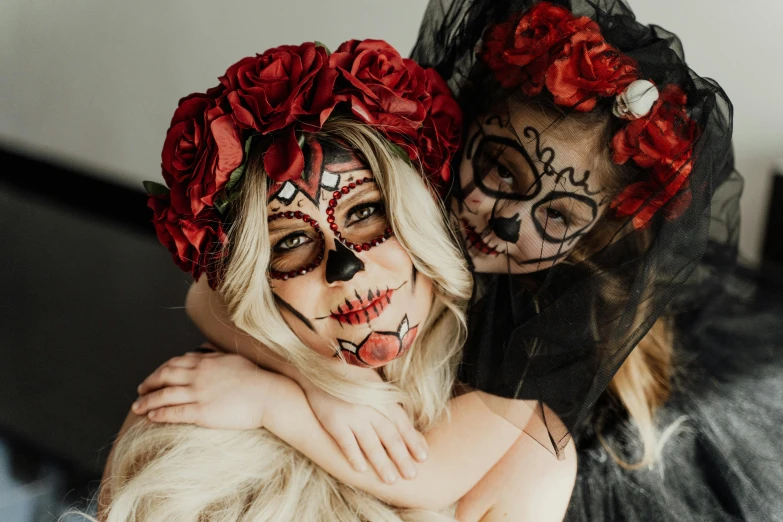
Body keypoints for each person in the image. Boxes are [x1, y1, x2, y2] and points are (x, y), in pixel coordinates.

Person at [97, 38, 578, 522]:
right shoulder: (196, 406)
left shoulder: (532, 447)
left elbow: (426, 479)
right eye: (289, 243)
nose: (343, 264)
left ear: (422, 215)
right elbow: (206, 299)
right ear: (255, 282)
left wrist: (284, 401)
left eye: (366, 211)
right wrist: (316, 378)